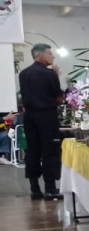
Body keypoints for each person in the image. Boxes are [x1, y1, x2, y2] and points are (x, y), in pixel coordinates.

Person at [19, 44, 66, 199]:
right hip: (46, 117)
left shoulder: (24, 74)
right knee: (50, 151)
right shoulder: (50, 74)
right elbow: (59, 98)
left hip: (29, 118)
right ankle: (50, 189)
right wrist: (56, 78)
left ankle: (34, 189)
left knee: (32, 152)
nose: (53, 56)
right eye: (50, 54)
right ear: (41, 56)